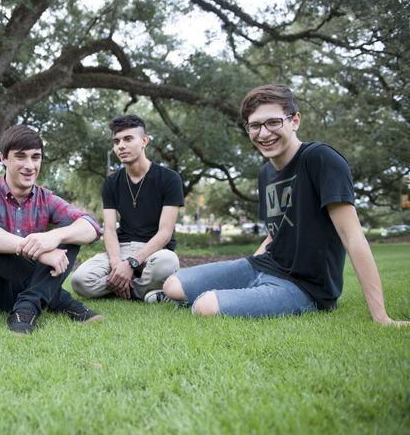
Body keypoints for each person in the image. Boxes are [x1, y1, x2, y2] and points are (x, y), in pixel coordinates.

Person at [163, 84, 409, 325]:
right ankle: (249, 289)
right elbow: (275, 233)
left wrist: (381, 316)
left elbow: (353, 237)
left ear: (295, 121)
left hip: (305, 286)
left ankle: (241, 296)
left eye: (273, 122)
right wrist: (248, 270)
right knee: (173, 285)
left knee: (205, 306)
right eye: (255, 126)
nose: (264, 133)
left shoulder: (320, 159)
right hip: (265, 265)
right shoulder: (265, 173)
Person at [0, 125, 103, 334]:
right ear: (3, 158)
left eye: (36, 157)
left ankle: (27, 308)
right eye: (20, 157)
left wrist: (54, 236)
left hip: (25, 289)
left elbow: (91, 226)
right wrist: (35, 250)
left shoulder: (46, 198)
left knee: (70, 231)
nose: (29, 165)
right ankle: (61, 300)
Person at [70, 115, 184, 302]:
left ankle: (123, 287)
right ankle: (143, 291)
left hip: (154, 250)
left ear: (144, 141)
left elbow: (165, 233)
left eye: (128, 139)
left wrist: (131, 264)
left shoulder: (170, 179)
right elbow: (109, 229)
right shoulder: (111, 183)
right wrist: (117, 265)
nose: (121, 146)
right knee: (80, 281)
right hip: (121, 248)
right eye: (116, 141)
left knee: (167, 262)